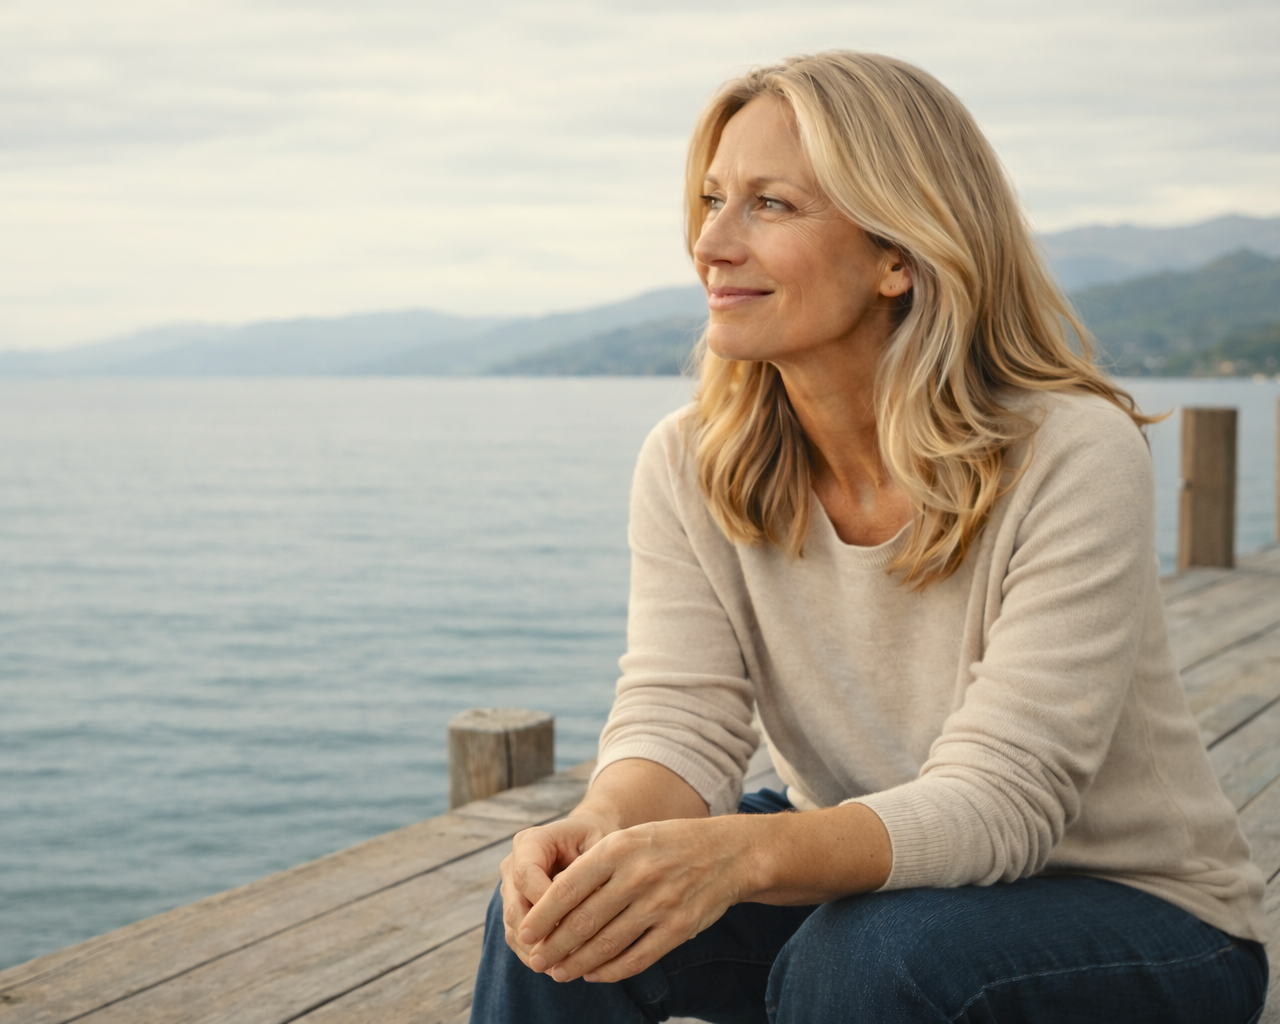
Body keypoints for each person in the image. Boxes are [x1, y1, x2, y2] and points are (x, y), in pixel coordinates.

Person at [470, 51, 1270, 1023]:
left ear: (897, 254)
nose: (710, 243)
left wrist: (741, 855)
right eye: (712, 200)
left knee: (869, 957)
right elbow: (678, 718)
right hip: (879, 879)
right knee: (565, 916)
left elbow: (1004, 801)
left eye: (769, 205)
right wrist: (601, 826)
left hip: (1139, 911)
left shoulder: (1070, 452)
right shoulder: (688, 461)